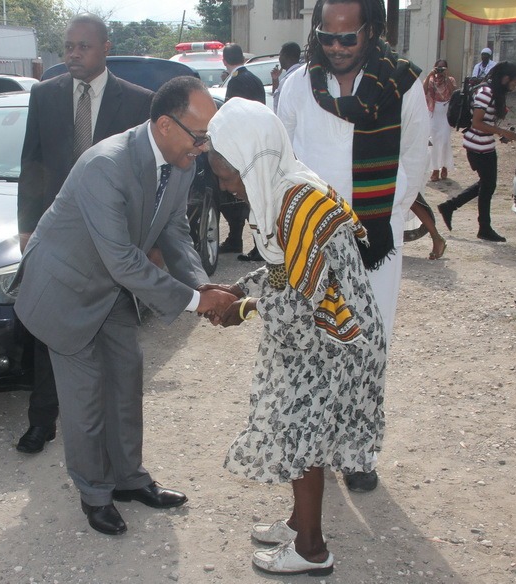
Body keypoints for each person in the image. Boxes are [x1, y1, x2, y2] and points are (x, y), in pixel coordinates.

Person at [13, 76, 236, 535]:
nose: (203, 146)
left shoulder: (182, 162)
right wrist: (198, 303)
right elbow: (123, 259)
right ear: (164, 125)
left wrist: (201, 282)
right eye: (199, 136)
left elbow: (174, 231)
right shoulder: (107, 165)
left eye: (208, 136)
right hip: (64, 290)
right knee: (85, 399)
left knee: (126, 380)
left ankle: (130, 479)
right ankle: (95, 493)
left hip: (110, 286)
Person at [205, 98, 385, 576]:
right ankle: (297, 522)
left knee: (304, 437)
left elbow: (305, 298)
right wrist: (241, 288)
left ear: (252, 161)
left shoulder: (299, 204)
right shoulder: (284, 189)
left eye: (227, 176)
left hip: (332, 343)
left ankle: (310, 549)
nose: (226, 188)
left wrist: (241, 307)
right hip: (318, 338)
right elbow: (288, 272)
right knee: (300, 433)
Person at [277, 0, 429, 492]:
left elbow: (415, 157)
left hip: (374, 244)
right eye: (327, 37)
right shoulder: (299, 83)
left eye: (349, 38)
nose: (337, 48)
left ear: (372, 30)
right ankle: (316, 449)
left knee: (369, 345)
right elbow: (282, 159)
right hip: (312, 241)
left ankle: (359, 452)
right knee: (315, 346)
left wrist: (383, 220)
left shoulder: (402, 83)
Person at [15, 14, 154, 455]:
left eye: (83, 46)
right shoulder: (44, 96)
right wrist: (26, 227)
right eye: (68, 46)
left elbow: (145, 177)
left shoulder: (137, 103)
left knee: (109, 337)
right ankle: (42, 422)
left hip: (110, 239)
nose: (73, 54)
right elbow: (31, 165)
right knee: (47, 330)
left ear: (105, 48)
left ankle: (108, 434)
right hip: (57, 238)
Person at [437, 62, 516, 243]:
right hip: (479, 146)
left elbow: (486, 121)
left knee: (486, 184)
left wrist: (500, 133)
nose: (515, 87)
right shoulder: (486, 93)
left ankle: (450, 206)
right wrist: (502, 132)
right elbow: (477, 123)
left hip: (482, 144)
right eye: (514, 83)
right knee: (488, 186)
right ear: (506, 78)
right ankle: (483, 227)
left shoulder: (493, 92)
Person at [218, 43, 266, 260]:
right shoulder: (254, 79)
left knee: (246, 198)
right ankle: (238, 240)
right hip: (256, 143)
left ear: (224, 60)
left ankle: (258, 246)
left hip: (243, 147)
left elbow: (232, 116)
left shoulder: (236, 81)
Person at [423, 60, 456, 182]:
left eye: (443, 68)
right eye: (438, 68)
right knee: (434, 142)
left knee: (445, 141)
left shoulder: (450, 80)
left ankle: (445, 166)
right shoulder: (431, 80)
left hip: (446, 113)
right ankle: (435, 169)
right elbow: (423, 90)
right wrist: (429, 75)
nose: (440, 71)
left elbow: (454, 93)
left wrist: (446, 77)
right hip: (433, 113)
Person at [271, 41, 303, 113]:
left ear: (286, 56)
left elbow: (279, 102)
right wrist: (275, 79)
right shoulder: (303, 74)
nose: (279, 59)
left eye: (280, 55)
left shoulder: (290, 79)